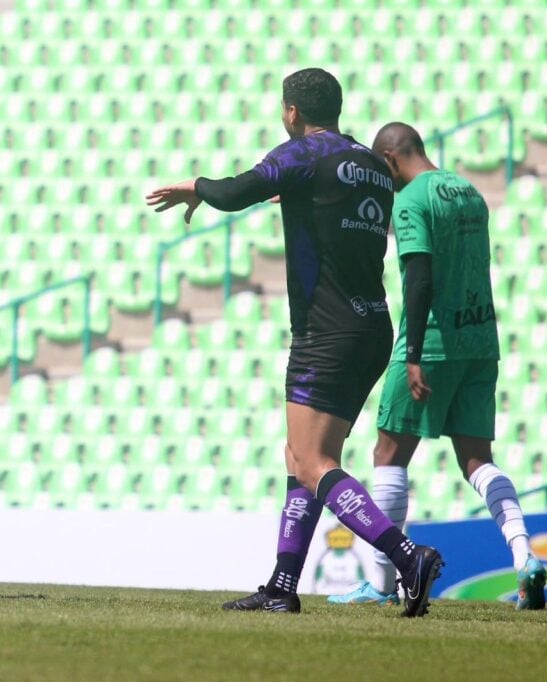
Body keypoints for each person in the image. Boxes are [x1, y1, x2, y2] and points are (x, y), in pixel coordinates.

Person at [146, 68, 442, 617]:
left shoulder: (304, 154)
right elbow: (331, 206)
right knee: (301, 454)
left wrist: (198, 187)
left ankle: (408, 555)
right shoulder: (372, 164)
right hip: (372, 326)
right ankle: (282, 586)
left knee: (312, 460)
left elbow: (236, 192)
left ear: (291, 113)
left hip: (326, 330)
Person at [328, 122, 547, 610]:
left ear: (389, 160)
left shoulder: (411, 200)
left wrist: (411, 357)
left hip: (431, 343)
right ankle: (525, 558)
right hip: (480, 340)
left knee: (389, 456)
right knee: (478, 460)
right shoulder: (467, 191)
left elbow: (420, 276)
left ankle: (384, 586)